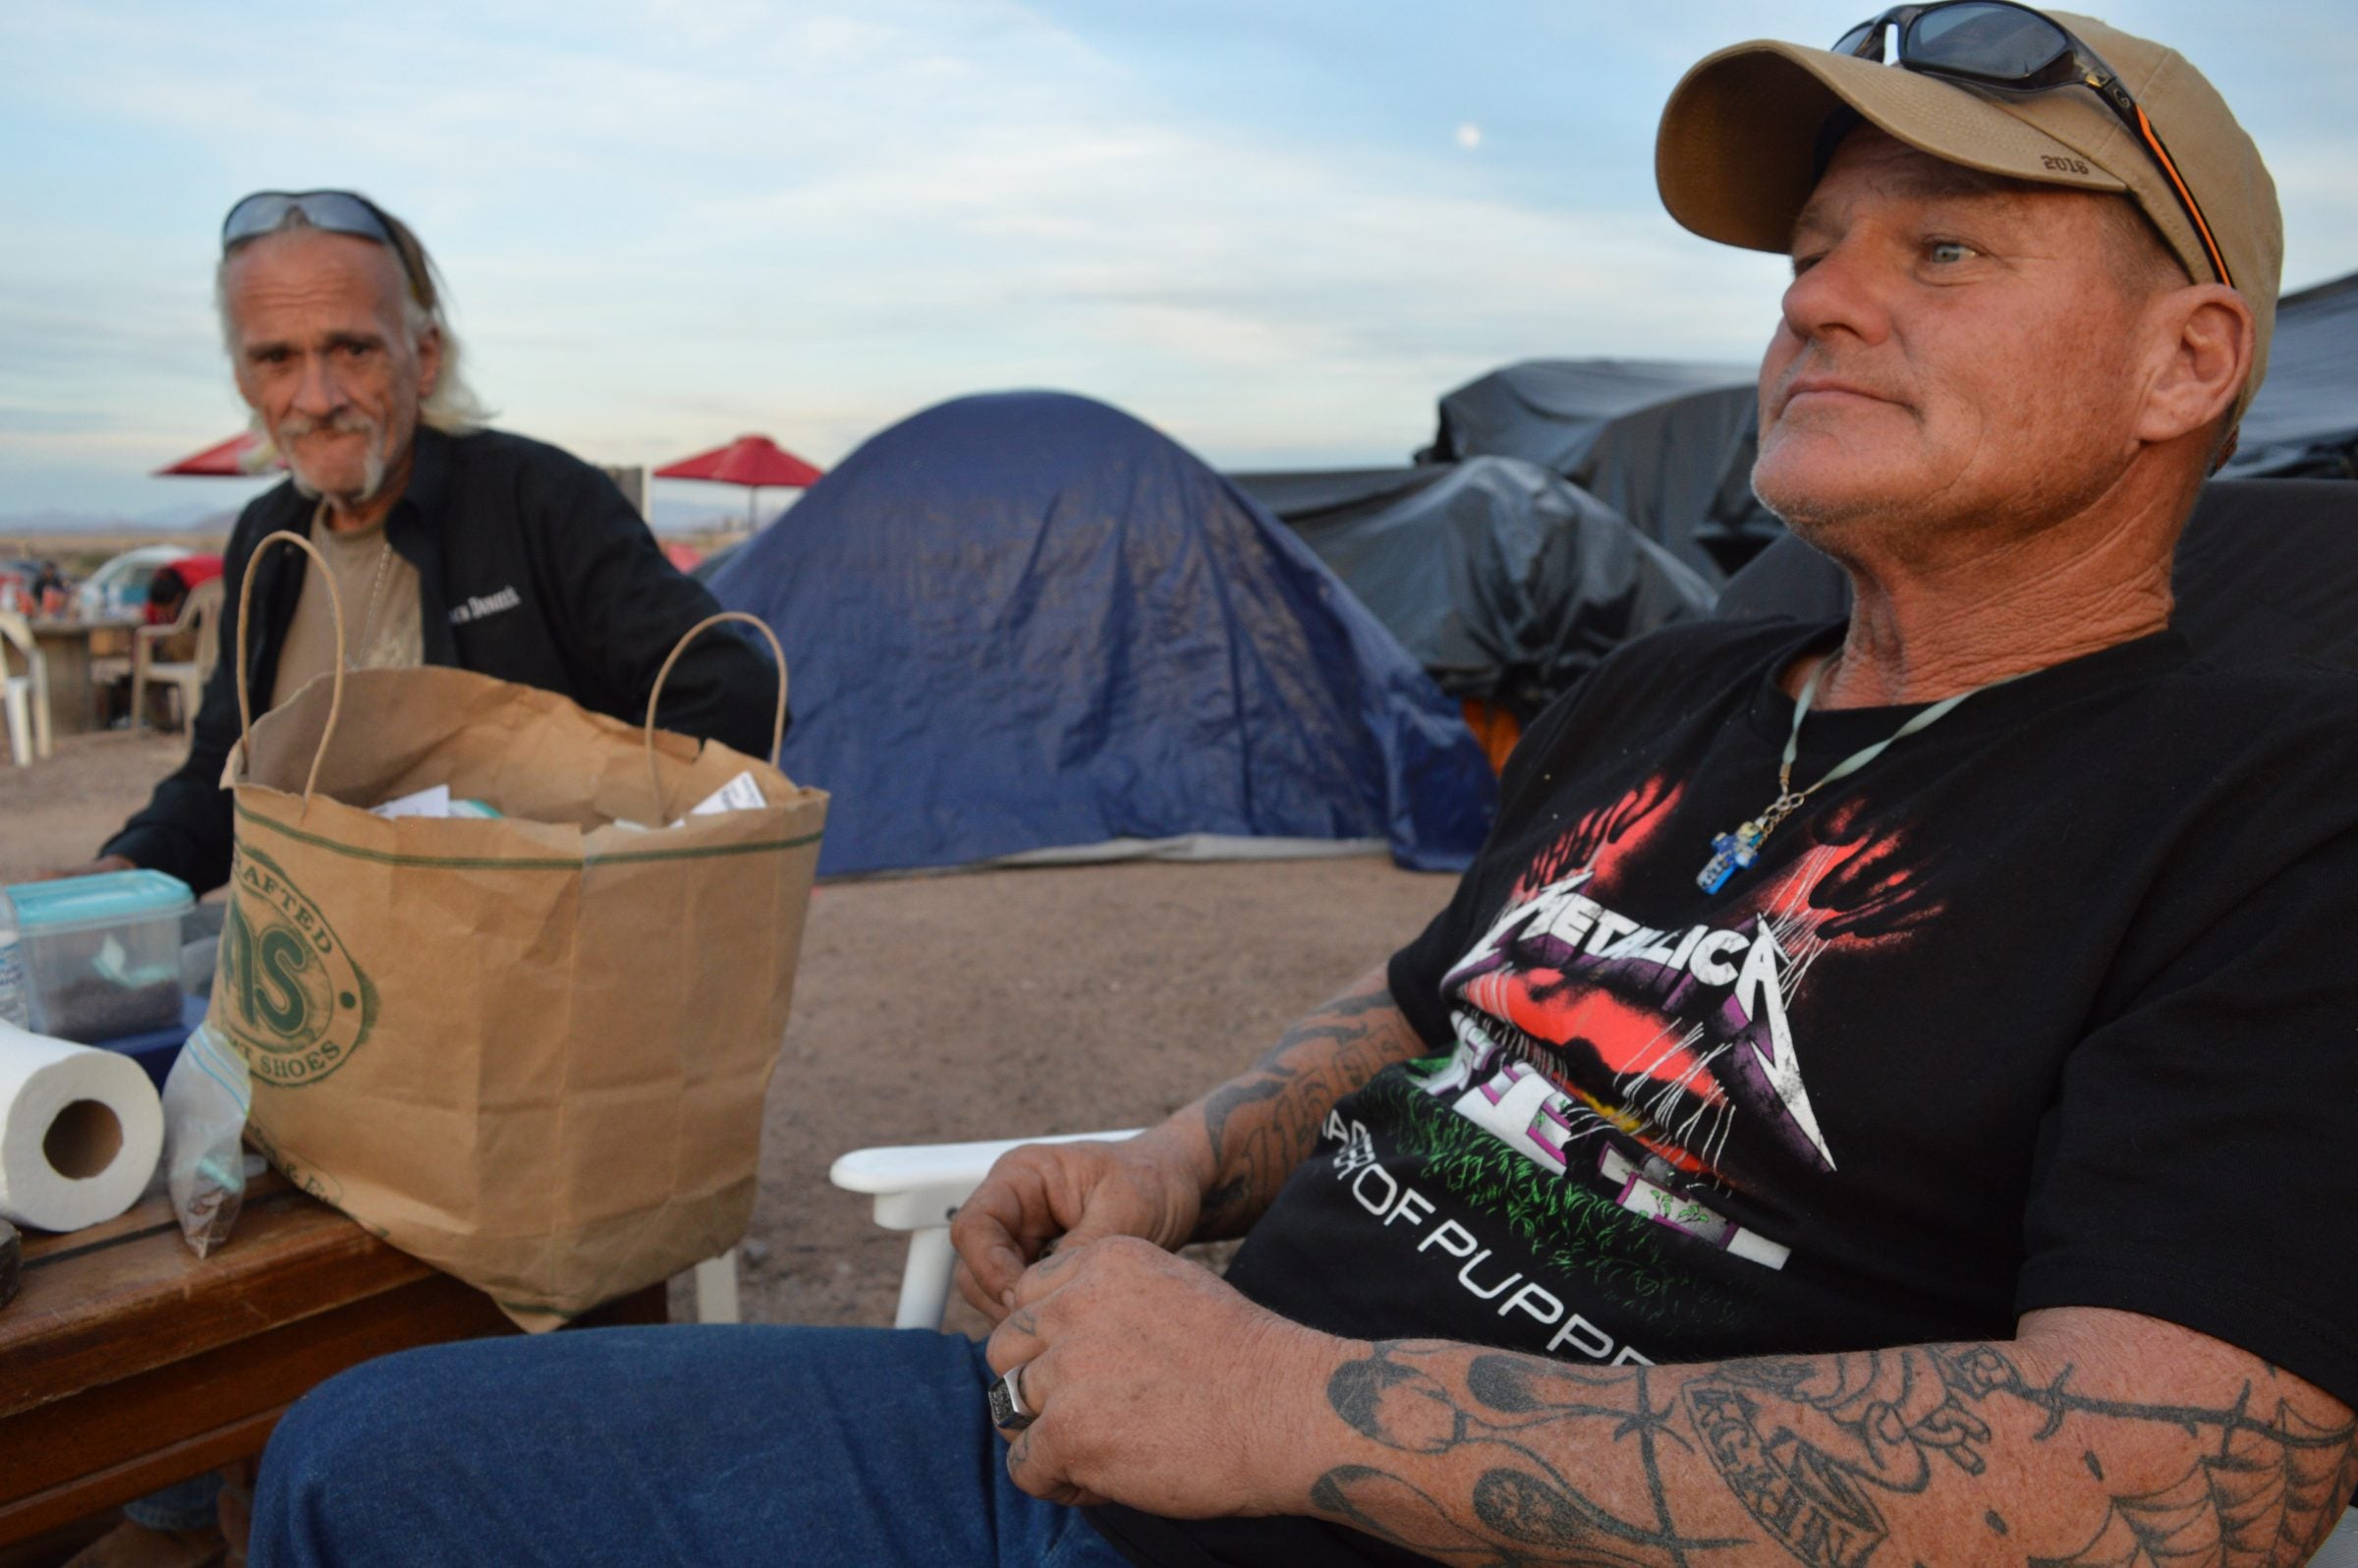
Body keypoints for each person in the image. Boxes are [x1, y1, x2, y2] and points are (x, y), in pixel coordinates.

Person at [252, 9, 2358, 1566]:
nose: (1817, 297)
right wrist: (1172, 1161)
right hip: (1096, 1433)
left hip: (1362, 1499)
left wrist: (1298, 1408)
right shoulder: (1683, 684)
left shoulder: (2266, 811)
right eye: (1814, 248)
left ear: (2189, 360)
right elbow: (1427, 1019)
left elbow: (2194, 1469)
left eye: (1949, 254)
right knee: (357, 1460)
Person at [47, 190, 779, 897]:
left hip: (528, 979)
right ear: (244, 380)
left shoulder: (539, 498)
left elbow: (731, 689)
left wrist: (582, 870)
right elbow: (222, 775)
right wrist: (123, 874)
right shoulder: (267, 539)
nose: (317, 397)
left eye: (353, 350)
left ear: (423, 356)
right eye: (276, 360)